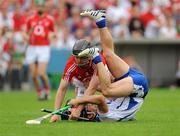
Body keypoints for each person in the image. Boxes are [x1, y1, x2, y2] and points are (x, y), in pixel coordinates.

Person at [68, 9, 149, 122]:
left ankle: (100, 21)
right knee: (107, 90)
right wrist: (78, 102)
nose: (89, 104)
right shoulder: (104, 115)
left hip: (132, 83)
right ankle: (96, 56)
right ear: (91, 115)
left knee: (108, 54)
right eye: (88, 108)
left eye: (88, 105)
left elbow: (104, 94)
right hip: (137, 87)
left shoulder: (102, 112)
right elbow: (100, 98)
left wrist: (79, 104)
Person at [50, 39, 107, 122]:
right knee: (86, 111)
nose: (79, 61)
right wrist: (56, 113)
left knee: (104, 102)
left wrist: (78, 110)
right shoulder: (71, 64)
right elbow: (62, 89)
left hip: (101, 81)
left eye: (82, 57)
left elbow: (91, 88)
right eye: (77, 57)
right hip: (81, 82)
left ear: (89, 56)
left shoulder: (98, 61)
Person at [25, 3, 55, 100]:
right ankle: (40, 92)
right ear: (36, 7)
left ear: (44, 7)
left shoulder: (49, 19)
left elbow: (53, 32)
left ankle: (47, 90)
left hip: (43, 47)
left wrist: (51, 36)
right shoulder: (30, 19)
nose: (39, 8)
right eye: (38, 6)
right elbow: (26, 34)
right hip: (32, 47)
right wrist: (28, 35)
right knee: (33, 75)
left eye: (41, 6)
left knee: (41, 73)